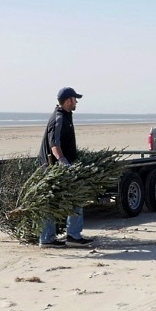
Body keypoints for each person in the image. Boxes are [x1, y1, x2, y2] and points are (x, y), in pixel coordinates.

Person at [37, 87, 94, 248]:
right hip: (52, 168)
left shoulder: (65, 116)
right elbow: (54, 144)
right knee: (63, 198)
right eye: (75, 99)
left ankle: (61, 236)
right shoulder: (59, 118)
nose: (77, 102)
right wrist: (63, 161)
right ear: (68, 100)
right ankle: (57, 237)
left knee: (64, 199)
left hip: (57, 167)